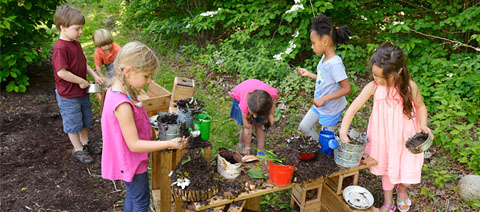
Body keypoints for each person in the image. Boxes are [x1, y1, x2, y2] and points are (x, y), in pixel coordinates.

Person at [339, 42, 434, 212]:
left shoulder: (410, 87)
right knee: (386, 164)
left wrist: (424, 124)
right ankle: (388, 200)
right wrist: (343, 131)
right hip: (382, 135)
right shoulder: (373, 87)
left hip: (405, 135)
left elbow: (420, 106)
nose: (378, 80)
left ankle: (402, 189)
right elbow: (353, 108)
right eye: (375, 75)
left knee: (406, 162)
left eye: (383, 77)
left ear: (399, 72)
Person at [101, 41, 187, 212]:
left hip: (129, 159)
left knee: (133, 196)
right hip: (131, 161)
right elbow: (134, 144)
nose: (149, 81)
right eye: (146, 76)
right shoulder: (122, 105)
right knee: (141, 201)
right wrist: (169, 143)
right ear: (128, 72)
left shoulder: (122, 90)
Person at [52, 5, 104, 164]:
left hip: (81, 92)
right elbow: (62, 72)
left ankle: (86, 144)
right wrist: (81, 81)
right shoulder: (61, 49)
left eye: (81, 28)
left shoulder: (75, 43)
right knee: (73, 123)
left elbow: (83, 64)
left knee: (85, 120)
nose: (80, 32)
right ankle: (77, 149)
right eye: (77, 29)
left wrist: (94, 75)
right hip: (68, 95)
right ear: (63, 27)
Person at [296, 14, 352, 139]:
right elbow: (326, 80)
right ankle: (319, 147)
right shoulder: (324, 58)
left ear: (325, 42)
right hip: (320, 104)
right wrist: (309, 74)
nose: (312, 46)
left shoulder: (335, 63)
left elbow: (346, 88)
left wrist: (324, 99)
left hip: (330, 108)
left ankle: (326, 151)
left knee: (326, 140)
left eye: (313, 43)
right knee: (304, 127)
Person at [230, 79, 277, 156]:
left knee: (260, 126)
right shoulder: (244, 106)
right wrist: (247, 147)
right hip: (239, 98)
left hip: (260, 101)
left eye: (257, 114)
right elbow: (247, 129)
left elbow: (274, 101)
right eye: (253, 113)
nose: (255, 116)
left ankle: (261, 151)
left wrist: (271, 114)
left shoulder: (270, 95)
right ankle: (242, 148)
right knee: (246, 126)